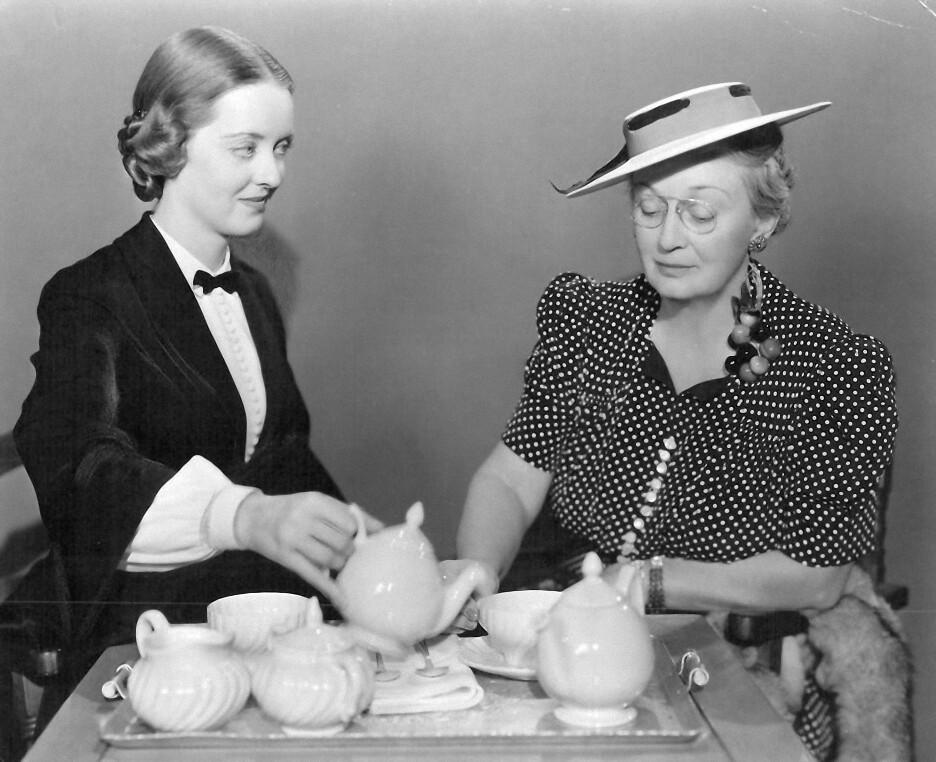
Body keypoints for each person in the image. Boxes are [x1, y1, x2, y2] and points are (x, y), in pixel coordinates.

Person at [449, 83, 901, 759]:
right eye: (649, 207)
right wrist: (479, 571)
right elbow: (512, 478)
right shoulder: (590, 323)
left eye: (700, 213)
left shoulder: (832, 363)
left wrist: (649, 580)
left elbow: (818, 575)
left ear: (763, 220)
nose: (666, 238)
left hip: (733, 664)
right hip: (573, 641)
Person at [9, 26, 380, 722]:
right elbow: (81, 467)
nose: (272, 174)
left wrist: (374, 554)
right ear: (170, 144)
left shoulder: (256, 294)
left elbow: (283, 457)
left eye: (281, 147)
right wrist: (241, 514)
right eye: (246, 148)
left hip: (253, 612)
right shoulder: (88, 294)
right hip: (144, 630)